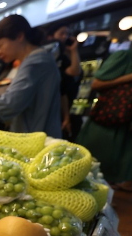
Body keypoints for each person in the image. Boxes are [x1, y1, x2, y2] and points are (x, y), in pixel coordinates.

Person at [0, 15, 61, 138]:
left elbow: (10, 102)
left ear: (19, 36)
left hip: (38, 139)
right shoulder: (38, 58)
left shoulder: (36, 62)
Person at [76, 49, 132, 189]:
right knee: (91, 164)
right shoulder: (125, 56)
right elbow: (96, 84)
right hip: (109, 119)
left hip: (125, 124)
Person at [48, 24, 82, 139]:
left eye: (67, 34)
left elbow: (75, 72)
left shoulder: (64, 56)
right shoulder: (49, 58)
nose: (65, 37)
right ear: (51, 36)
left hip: (64, 106)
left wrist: (73, 50)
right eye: (61, 33)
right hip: (52, 109)